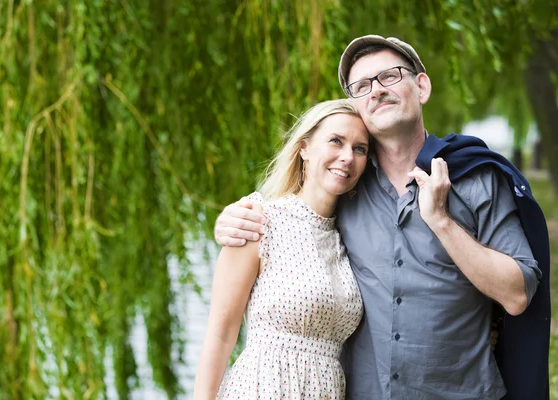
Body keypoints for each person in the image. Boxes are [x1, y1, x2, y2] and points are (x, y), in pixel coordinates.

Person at [214, 35, 549, 399]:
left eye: (390, 76)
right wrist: (234, 219)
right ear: (358, 107)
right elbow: (294, 219)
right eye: (361, 86)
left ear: (421, 87)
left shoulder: (477, 179)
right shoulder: (347, 185)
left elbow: (518, 295)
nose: (376, 90)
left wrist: (442, 222)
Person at [194, 99, 371, 398]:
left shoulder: (348, 237)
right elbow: (221, 336)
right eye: (336, 141)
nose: (347, 157)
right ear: (304, 149)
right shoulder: (259, 221)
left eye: (360, 149)